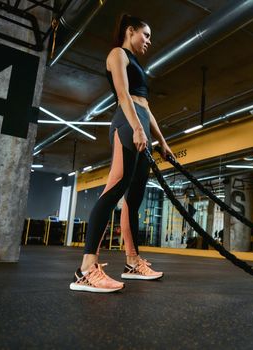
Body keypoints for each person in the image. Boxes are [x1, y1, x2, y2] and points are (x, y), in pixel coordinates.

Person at [70, 14, 174, 293]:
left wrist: (162, 142)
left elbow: (146, 105)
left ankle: (132, 262)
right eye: (146, 34)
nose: (149, 41)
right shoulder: (118, 54)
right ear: (131, 31)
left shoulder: (138, 63)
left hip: (139, 122)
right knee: (115, 188)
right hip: (127, 123)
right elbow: (123, 93)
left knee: (134, 198)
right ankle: (86, 269)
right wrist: (137, 128)